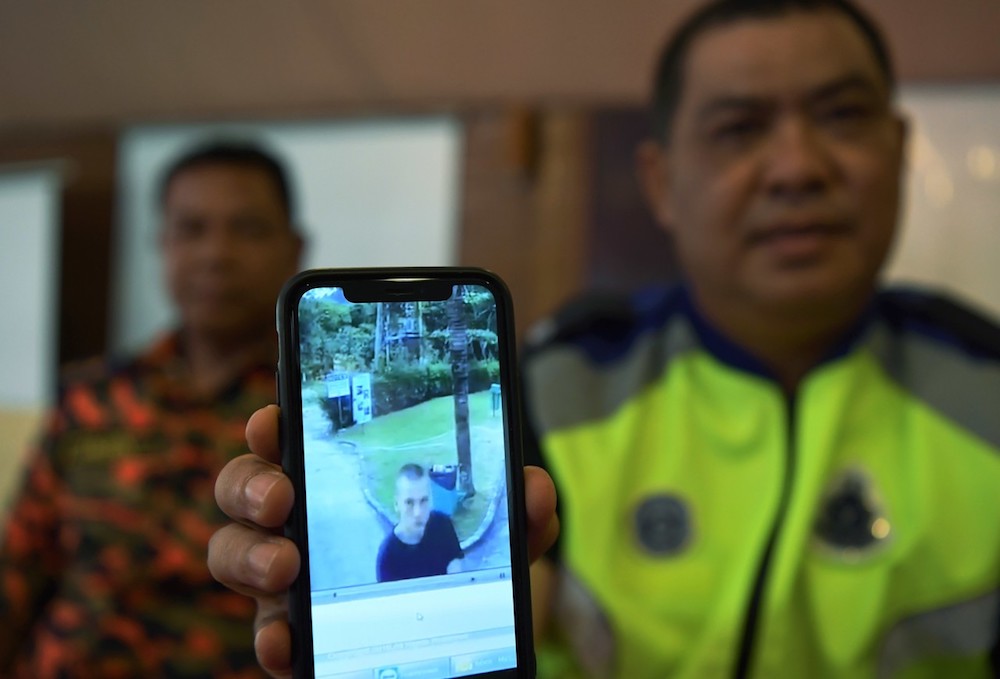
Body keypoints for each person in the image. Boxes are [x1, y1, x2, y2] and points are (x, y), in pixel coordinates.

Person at [209, 0, 1000, 677]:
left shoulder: (987, 391)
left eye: (842, 116)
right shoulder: (561, 384)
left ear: (900, 150)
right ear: (661, 181)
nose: (797, 167)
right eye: (739, 128)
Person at [0, 140, 303, 677]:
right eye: (191, 229)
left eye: (248, 229)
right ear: (162, 244)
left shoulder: (303, 408)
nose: (216, 254)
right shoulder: (91, 396)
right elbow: (20, 564)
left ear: (294, 248)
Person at [375, 463, 464, 583]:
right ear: (397, 504)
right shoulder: (388, 556)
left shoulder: (443, 526)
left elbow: (457, 580)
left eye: (423, 501)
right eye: (409, 503)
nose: (418, 512)